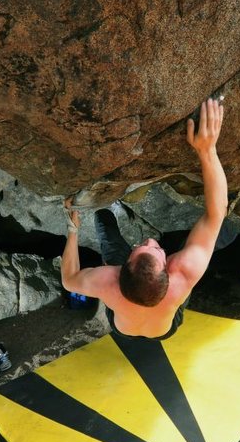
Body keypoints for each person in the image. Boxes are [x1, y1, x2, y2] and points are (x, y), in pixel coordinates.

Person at [61, 97, 227, 340]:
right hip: (165, 328)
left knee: (109, 243)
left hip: (123, 328)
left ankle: (104, 210)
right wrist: (207, 150)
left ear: (121, 269)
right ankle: (107, 209)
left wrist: (72, 230)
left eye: (142, 247)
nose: (150, 240)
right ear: (168, 274)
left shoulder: (107, 281)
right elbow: (216, 213)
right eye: (157, 250)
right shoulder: (183, 275)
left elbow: (69, 280)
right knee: (196, 243)